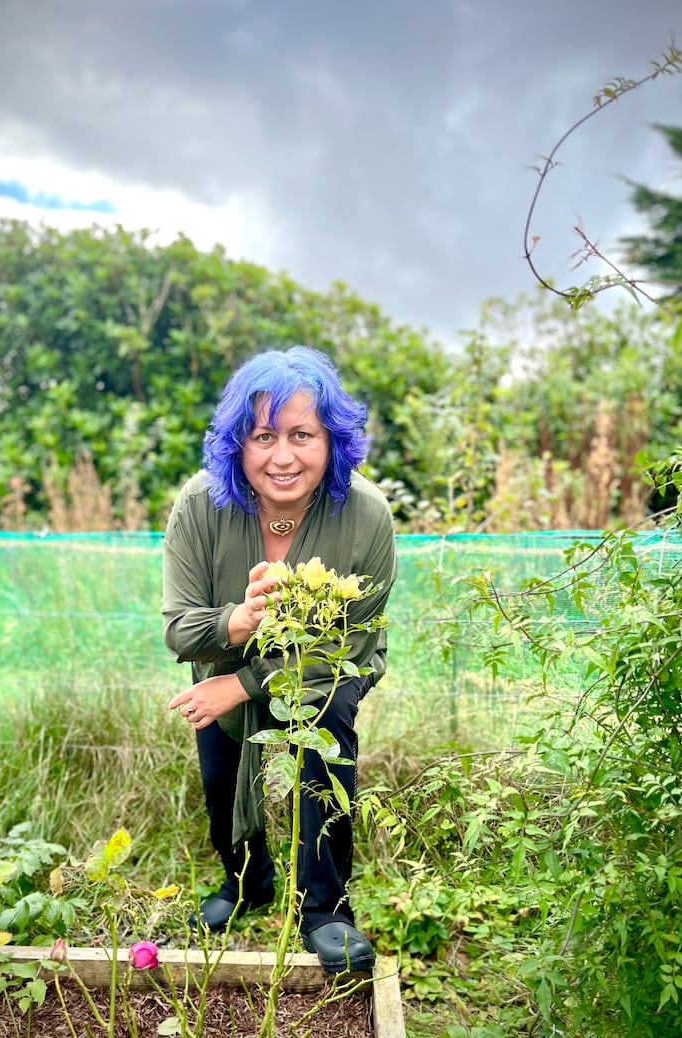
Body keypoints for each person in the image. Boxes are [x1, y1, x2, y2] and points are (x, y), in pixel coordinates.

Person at [161, 345, 397, 974]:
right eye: (264, 435)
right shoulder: (200, 503)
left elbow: (349, 642)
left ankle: (325, 909)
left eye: (303, 435)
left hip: (332, 663)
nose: (284, 456)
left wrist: (241, 684)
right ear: (238, 443)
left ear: (333, 441)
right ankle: (247, 880)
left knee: (323, 743)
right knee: (221, 768)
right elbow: (182, 630)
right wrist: (236, 623)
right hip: (225, 653)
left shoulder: (366, 514)